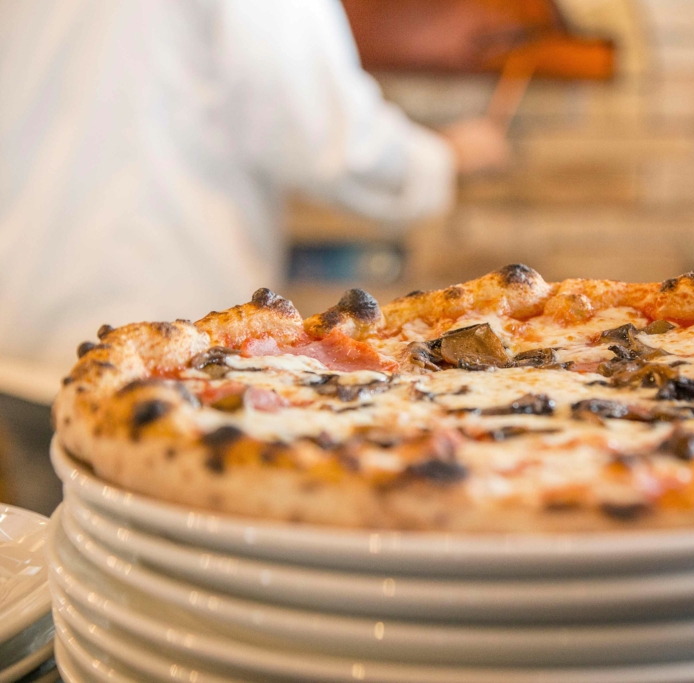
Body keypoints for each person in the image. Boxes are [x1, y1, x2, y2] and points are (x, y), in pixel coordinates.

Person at [0, 0, 508, 513]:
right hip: (171, 349)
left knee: (47, 563)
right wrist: (442, 157)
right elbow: (326, 135)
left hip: (21, 319)